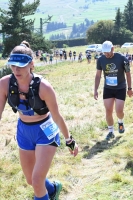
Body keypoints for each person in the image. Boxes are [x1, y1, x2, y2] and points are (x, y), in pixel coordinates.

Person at [0, 41, 79, 199]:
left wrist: (69, 140)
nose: (16, 69)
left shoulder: (44, 87)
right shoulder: (4, 84)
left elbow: (57, 116)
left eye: (21, 65)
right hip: (23, 131)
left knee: (37, 180)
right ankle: (52, 189)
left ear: (31, 65)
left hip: (45, 131)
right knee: (31, 180)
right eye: (13, 65)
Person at [94, 41, 133, 140]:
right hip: (108, 88)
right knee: (108, 111)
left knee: (119, 111)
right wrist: (95, 89)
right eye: (104, 53)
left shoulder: (122, 59)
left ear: (112, 49)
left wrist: (129, 88)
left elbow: (128, 74)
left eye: (108, 52)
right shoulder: (100, 60)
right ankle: (111, 131)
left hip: (120, 87)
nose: (106, 55)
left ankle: (120, 122)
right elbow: (98, 75)